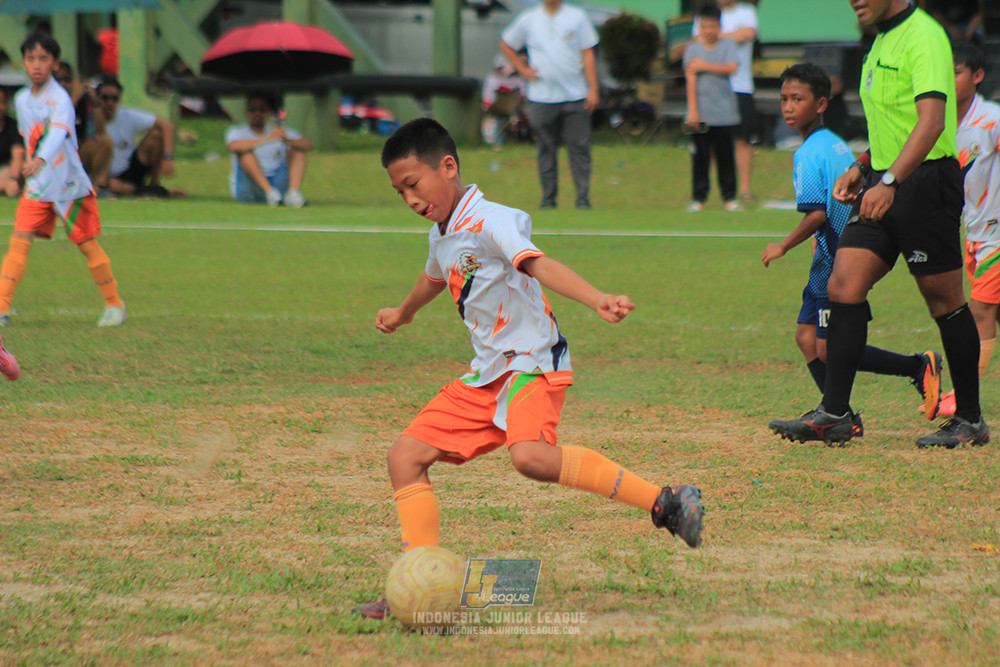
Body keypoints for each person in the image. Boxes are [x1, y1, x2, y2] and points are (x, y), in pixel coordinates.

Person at [353, 118, 705, 620]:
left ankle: (666, 502)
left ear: (447, 167)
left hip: (532, 362)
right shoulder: (442, 234)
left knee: (532, 459)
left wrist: (596, 298)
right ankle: (417, 577)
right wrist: (403, 312)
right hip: (488, 372)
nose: (409, 198)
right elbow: (434, 278)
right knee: (404, 458)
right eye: (399, 192)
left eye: (413, 184)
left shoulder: (492, 218)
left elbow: (537, 263)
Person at [768, 0, 987, 449]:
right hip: (882, 181)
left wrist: (888, 180)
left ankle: (969, 420)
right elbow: (893, 124)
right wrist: (865, 164)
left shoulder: (924, 35)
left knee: (944, 300)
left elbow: (930, 124)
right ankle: (835, 415)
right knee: (844, 286)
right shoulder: (879, 41)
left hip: (925, 181)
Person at [763, 63, 944, 434]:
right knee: (805, 336)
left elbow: (816, 214)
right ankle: (837, 412)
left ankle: (915, 367)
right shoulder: (834, 142)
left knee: (830, 347)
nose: (788, 107)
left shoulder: (808, 154)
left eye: (798, 99)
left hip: (835, 259)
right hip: (828, 257)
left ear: (821, 103)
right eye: (783, 99)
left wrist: (783, 246)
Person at [0, 33, 126, 328]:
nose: (37, 65)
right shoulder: (21, 99)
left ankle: (114, 303)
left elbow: (57, 134)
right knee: (19, 241)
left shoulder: (60, 100)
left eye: (44, 59)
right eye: (31, 59)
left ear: (55, 64)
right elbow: (26, 137)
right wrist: (23, 170)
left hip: (68, 186)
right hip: (37, 186)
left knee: (86, 243)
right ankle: (2, 307)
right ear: (23, 63)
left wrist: (40, 160)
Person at [930, 42, 1000, 419]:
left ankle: (962, 397)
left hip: (997, 236)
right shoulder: (936, 121)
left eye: (955, 71)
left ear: (976, 76)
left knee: (980, 311)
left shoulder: (992, 119)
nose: (948, 79)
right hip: (973, 235)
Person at [499, 0, 599, 210]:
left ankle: (583, 200)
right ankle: (548, 200)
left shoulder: (577, 16)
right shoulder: (529, 18)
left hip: (575, 95)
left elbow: (588, 53)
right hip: (541, 96)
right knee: (546, 149)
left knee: (579, 148)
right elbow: (506, 44)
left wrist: (593, 89)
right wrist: (522, 69)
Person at [692, 0, 759, 203]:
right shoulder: (704, 14)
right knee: (708, 141)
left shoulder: (746, 12)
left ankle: (744, 190)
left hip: (740, 86)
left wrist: (716, 36)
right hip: (710, 90)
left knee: (742, 139)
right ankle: (707, 193)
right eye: (708, 26)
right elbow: (697, 42)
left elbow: (748, 34)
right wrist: (731, 36)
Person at [683, 4, 740, 213]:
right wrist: (693, 110)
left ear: (719, 26)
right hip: (701, 112)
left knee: (726, 156)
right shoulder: (692, 49)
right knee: (700, 157)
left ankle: (729, 198)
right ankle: (699, 198)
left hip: (725, 112)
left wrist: (704, 66)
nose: (709, 31)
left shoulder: (728, 46)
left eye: (712, 26)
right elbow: (690, 78)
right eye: (705, 26)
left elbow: (732, 67)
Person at [95, 75, 179, 198]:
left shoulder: (126, 115)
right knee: (114, 185)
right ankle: (152, 192)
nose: (110, 103)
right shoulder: (92, 120)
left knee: (155, 136)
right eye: (105, 98)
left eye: (114, 98)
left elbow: (167, 126)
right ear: (97, 99)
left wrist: (168, 158)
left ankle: (154, 184)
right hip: (104, 175)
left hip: (130, 169)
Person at [224, 94, 312, 208]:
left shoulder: (278, 131)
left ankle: (293, 194)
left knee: (298, 152)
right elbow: (233, 147)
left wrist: (286, 140)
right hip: (249, 188)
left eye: (262, 109)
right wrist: (268, 139)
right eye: (252, 109)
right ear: (246, 112)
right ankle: (269, 192)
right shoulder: (236, 131)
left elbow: (308, 144)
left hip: (278, 182)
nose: (257, 113)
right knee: (245, 153)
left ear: (269, 112)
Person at [56, 63, 113, 191]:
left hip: (77, 152)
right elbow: (58, 126)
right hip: (55, 155)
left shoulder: (83, 101)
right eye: (59, 80)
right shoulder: (51, 99)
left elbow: (101, 131)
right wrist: (74, 99)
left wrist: (94, 101)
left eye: (67, 79)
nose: (63, 83)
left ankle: (98, 187)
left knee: (104, 141)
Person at [0, 87, 25, 198]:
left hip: (8, 170)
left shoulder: (13, 125)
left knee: (24, 166)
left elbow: (18, 155)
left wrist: (13, 179)